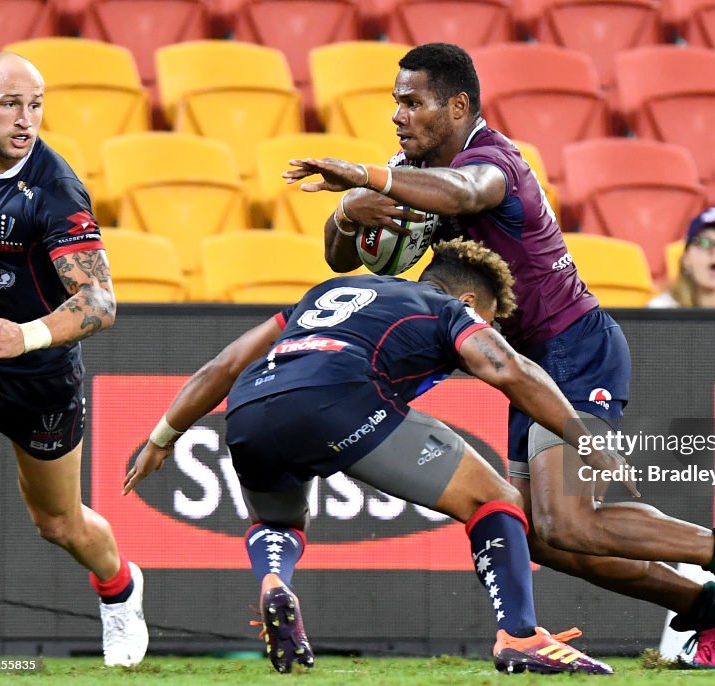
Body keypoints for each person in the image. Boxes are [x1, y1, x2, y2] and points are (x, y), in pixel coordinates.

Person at [282, 42, 715, 666]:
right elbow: (341, 257)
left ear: (457, 105)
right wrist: (345, 211)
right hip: (524, 359)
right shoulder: (412, 170)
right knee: (545, 537)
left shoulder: (497, 162)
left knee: (570, 522)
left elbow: (466, 193)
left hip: (575, 346)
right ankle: (710, 608)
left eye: (412, 102)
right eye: (396, 102)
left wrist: (369, 177)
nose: (398, 115)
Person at [122, 239, 621, 675]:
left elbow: (227, 363)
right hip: (339, 396)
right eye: (490, 319)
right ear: (470, 301)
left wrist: (162, 439)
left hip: (250, 406)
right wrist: (584, 437)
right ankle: (521, 638)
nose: (487, 327)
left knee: (279, 522)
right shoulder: (448, 310)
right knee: (496, 499)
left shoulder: (325, 294)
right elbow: (507, 367)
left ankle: (275, 581)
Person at [0, 53, 147, 666]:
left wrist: (26, 336)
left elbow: (99, 303)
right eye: (11, 104)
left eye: (36, 105)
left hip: (35, 372)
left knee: (58, 524)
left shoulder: (53, 190)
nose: (26, 119)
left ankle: (120, 589)